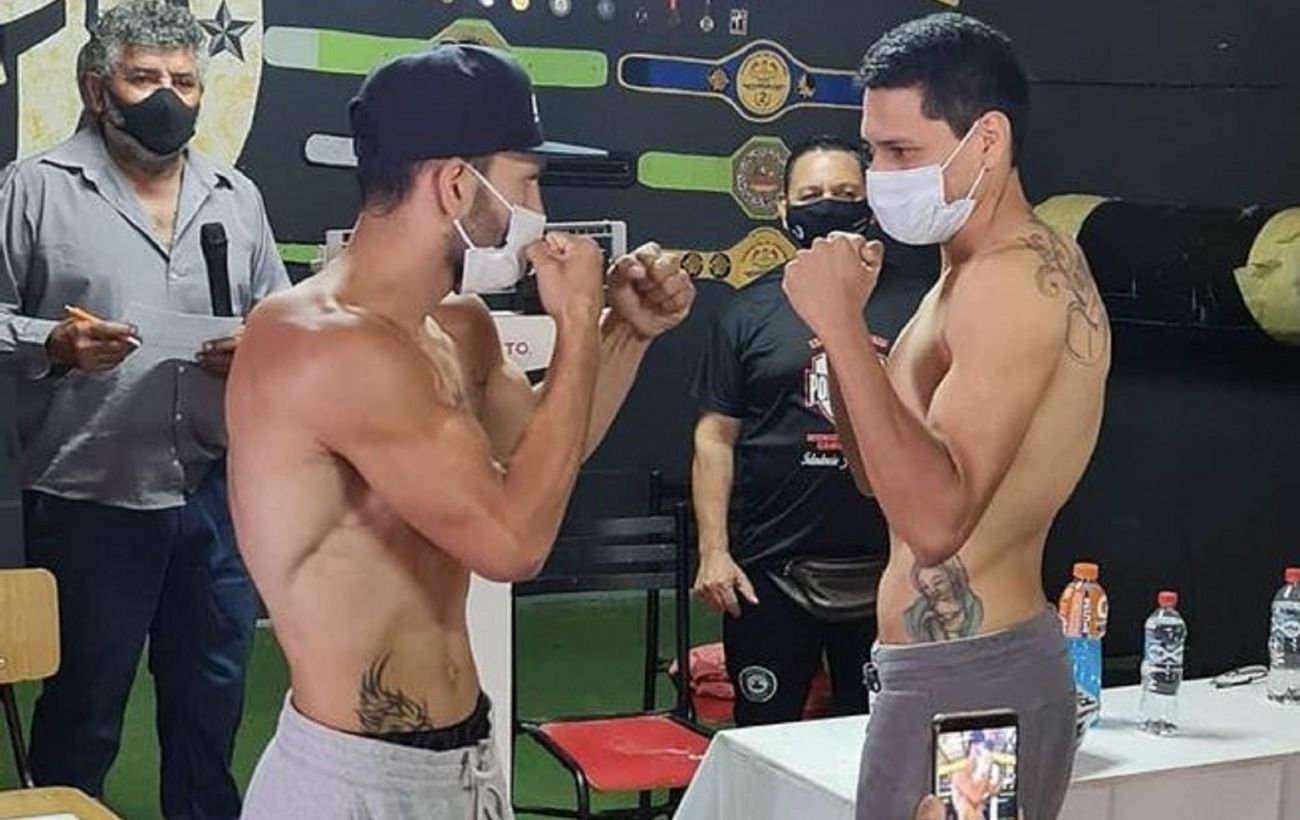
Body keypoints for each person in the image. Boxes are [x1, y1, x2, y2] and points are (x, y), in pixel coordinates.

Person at [227, 44, 694, 820]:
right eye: (528, 180)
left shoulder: (456, 326)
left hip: (464, 765)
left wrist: (626, 333)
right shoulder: (316, 341)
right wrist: (578, 323)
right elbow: (512, 543)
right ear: (454, 184)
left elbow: (542, 457)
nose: (540, 207)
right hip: (352, 784)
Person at [782, 12, 1110, 820]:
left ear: (986, 139)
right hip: (949, 678)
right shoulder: (961, 277)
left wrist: (841, 330)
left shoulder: (1011, 281)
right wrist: (846, 338)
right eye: (873, 152)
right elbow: (880, 478)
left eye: (902, 152)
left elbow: (936, 525)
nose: (880, 176)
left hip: (975, 689)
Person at [0, 2, 290, 817]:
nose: (168, 96)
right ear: (98, 89)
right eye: (144, 77)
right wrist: (54, 342)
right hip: (89, 498)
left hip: (214, 495)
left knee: (210, 709)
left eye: (184, 81)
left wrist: (260, 346)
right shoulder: (34, 189)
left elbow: (282, 317)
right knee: (82, 716)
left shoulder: (236, 196)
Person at [690, 134, 932, 726]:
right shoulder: (749, 311)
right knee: (764, 740)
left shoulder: (922, 306)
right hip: (770, 572)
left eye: (846, 194)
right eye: (813, 194)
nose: (829, 205)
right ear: (783, 208)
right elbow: (714, 437)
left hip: (892, 568)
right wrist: (714, 551)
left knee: (882, 741)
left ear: (869, 202)